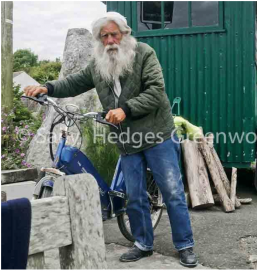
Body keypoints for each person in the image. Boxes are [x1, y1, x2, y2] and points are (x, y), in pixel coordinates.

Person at [24, 12, 198, 268]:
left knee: (172, 192)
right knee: (135, 197)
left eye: (113, 34)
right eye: (103, 36)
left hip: (156, 134)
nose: (109, 40)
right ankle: (143, 244)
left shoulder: (144, 53)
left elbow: (155, 91)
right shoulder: (98, 64)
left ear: (125, 34)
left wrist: (125, 109)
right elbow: (75, 82)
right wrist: (48, 87)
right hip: (126, 140)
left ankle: (185, 245)